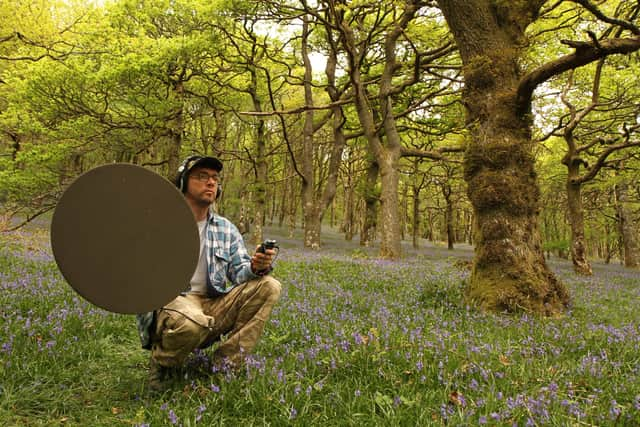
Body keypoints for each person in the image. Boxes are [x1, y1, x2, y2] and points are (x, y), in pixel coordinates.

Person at [136, 155, 281, 391]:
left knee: (269, 286)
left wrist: (257, 266)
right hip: (174, 302)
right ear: (182, 183)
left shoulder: (226, 228)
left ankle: (225, 366)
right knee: (192, 322)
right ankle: (163, 363)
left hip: (211, 302)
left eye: (214, 178)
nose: (211, 182)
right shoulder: (160, 224)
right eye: (202, 177)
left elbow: (239, 274)